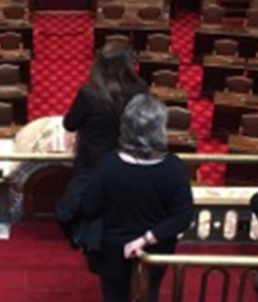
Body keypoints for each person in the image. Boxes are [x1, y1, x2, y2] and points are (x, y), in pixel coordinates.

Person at [81, 94, 194, 302]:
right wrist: (145, 239)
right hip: (156, 251)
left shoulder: (109, 165)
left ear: (127, 127)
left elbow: (89, 208)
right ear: (160, 129)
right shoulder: (174, 167)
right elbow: (184, 216)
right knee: (149, 294)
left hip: (113, 250)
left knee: (113, 296)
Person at [57, 41, 149, 248]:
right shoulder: (141, 89)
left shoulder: (89, 94)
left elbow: (70, 124)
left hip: (94, 161)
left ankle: (91, 241)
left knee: (91, 204)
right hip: (129, 159)